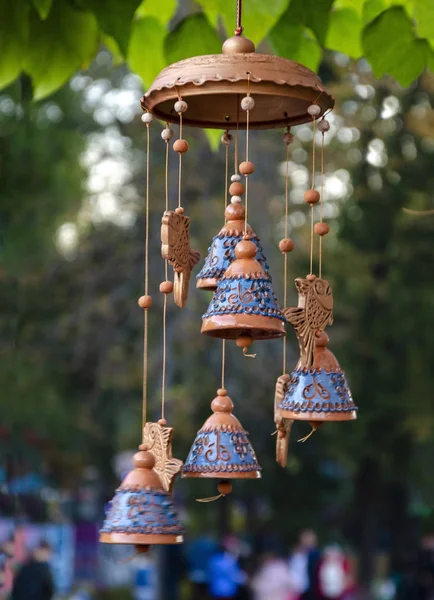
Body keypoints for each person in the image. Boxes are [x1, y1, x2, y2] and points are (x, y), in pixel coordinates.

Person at [288, 530, 321, 600]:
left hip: (314, 591)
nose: (307, 541)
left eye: (309, 539)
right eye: (305, 538)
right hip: (298, 591)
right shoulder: (296, 556)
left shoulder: (317, 556)